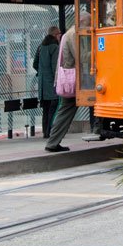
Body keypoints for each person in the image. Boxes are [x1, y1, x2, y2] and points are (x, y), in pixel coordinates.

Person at [45, 12, 91, 152]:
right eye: (89, 22)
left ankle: (53, 142)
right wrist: (97, 51)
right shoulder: (73, 35)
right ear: (82, 21)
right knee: (65, 110)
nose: (90, 26)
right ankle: (52, 142)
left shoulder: (69, 34)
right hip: (74, 80)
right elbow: (81, 57)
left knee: (65, 110)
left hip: (73, 78)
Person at [33, 26, 61, 138]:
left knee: (45, 109)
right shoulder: (54, 47)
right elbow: (55, 67)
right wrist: (58, 80)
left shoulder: (41, 47)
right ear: (54, 35)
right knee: (53, 109)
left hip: (42, 86)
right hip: (51, 84)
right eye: (59, 34)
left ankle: (45, 131)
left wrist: (41, 73)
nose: (60, 36)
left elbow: (35, 64)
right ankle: (50, 132)